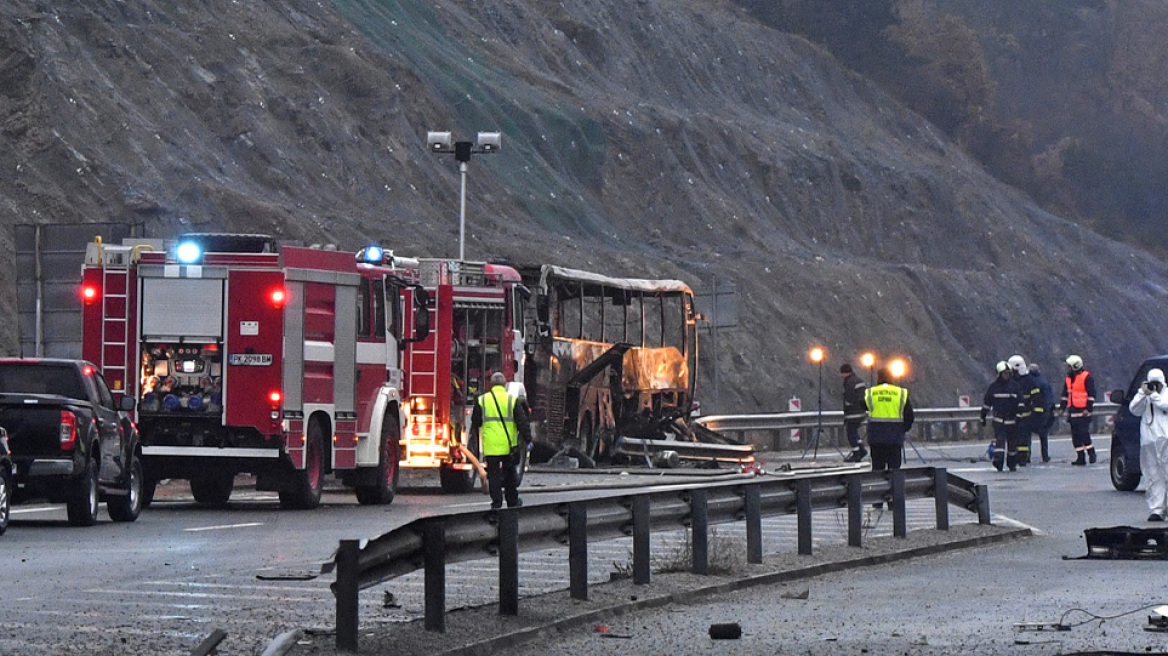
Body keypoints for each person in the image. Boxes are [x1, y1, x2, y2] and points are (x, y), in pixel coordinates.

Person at [469, 371, 532, 509]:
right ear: (504, 384)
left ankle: (496, 503)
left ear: (490, 385)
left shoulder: (482, 400)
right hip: (508, 446)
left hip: (491, 446)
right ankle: (512, 502)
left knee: (494, 475)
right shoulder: (512, 400)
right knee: (510, 475)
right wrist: (528, 439)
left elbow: (476, 422)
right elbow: (522, 422)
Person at [1128, 368, 1168, 521]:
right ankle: (1157, 510)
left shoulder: (1164, 394)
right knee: (1153, 475)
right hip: (1148, 442)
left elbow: (1165, 405)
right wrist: (1142, 394)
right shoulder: (1145, 395)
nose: (1154, 386)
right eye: (1152, 384)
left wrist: (1154, 395)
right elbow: (1134, 409)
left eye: (1157, 384)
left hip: (1165, 441)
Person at [863, 365, 914, 472]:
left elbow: (862, 405)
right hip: (895, 437)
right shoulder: (900, 393)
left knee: (877, 469)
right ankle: (896, 488)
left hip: (876, 437)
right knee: (895, 469)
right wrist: (903, 429)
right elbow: (909, 415)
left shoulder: (871, 393)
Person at [980, 361, 1023, 472]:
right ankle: (998, 462)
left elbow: (1021, 403)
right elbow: (987, 403)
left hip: (1012, 420)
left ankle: (1012, 464)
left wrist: (1019, 415)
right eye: (1004, 373)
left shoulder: (1015, 387)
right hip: (999, 420)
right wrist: (983, 416)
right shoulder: (993, 388)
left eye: (1008, 373)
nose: (1007, 375)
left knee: (1012, 444)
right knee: (1000, 442)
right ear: (999, 374)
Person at [1060, 354, 1097, 465]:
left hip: (1083, 412)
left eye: (1069, 366)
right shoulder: (1068, 379)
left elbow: (1091, 394)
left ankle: (1091, 453)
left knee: (1084, 434)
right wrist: (1062, 408)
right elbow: (1065, 395)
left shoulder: (1087, 377)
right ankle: (1080, 457)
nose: (1068, 369)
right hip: (1073, 411)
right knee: (1075, 436)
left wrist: (1088, 408)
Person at [1008, 355, 1039, 465]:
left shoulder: (1028, 380)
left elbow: (1035, 396)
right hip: (1014, 415)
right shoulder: (1012, 381)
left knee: (1023, 439)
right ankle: (1018, 456)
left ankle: (1023, 458)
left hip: (1025, 415)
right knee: (1015, 438)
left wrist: (1033, 408)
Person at [840, 363, 868, 462]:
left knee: (850, 433)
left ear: (844, 373)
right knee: (854, 431)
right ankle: (861, 448)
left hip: (853, 412)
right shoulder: (859, 380)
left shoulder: (848, 382)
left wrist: (847, 405)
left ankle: (856, 453)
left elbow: (849, 397)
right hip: (861, 411)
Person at [1028, 363, 1055, 463]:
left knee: (1027, 435)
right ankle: (1045, 456)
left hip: (1031, 411)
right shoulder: (1044, 382)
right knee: (1043, 435)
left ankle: (1026, 457)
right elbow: (1049, 398)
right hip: (1044, 411)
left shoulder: (1028, 382)